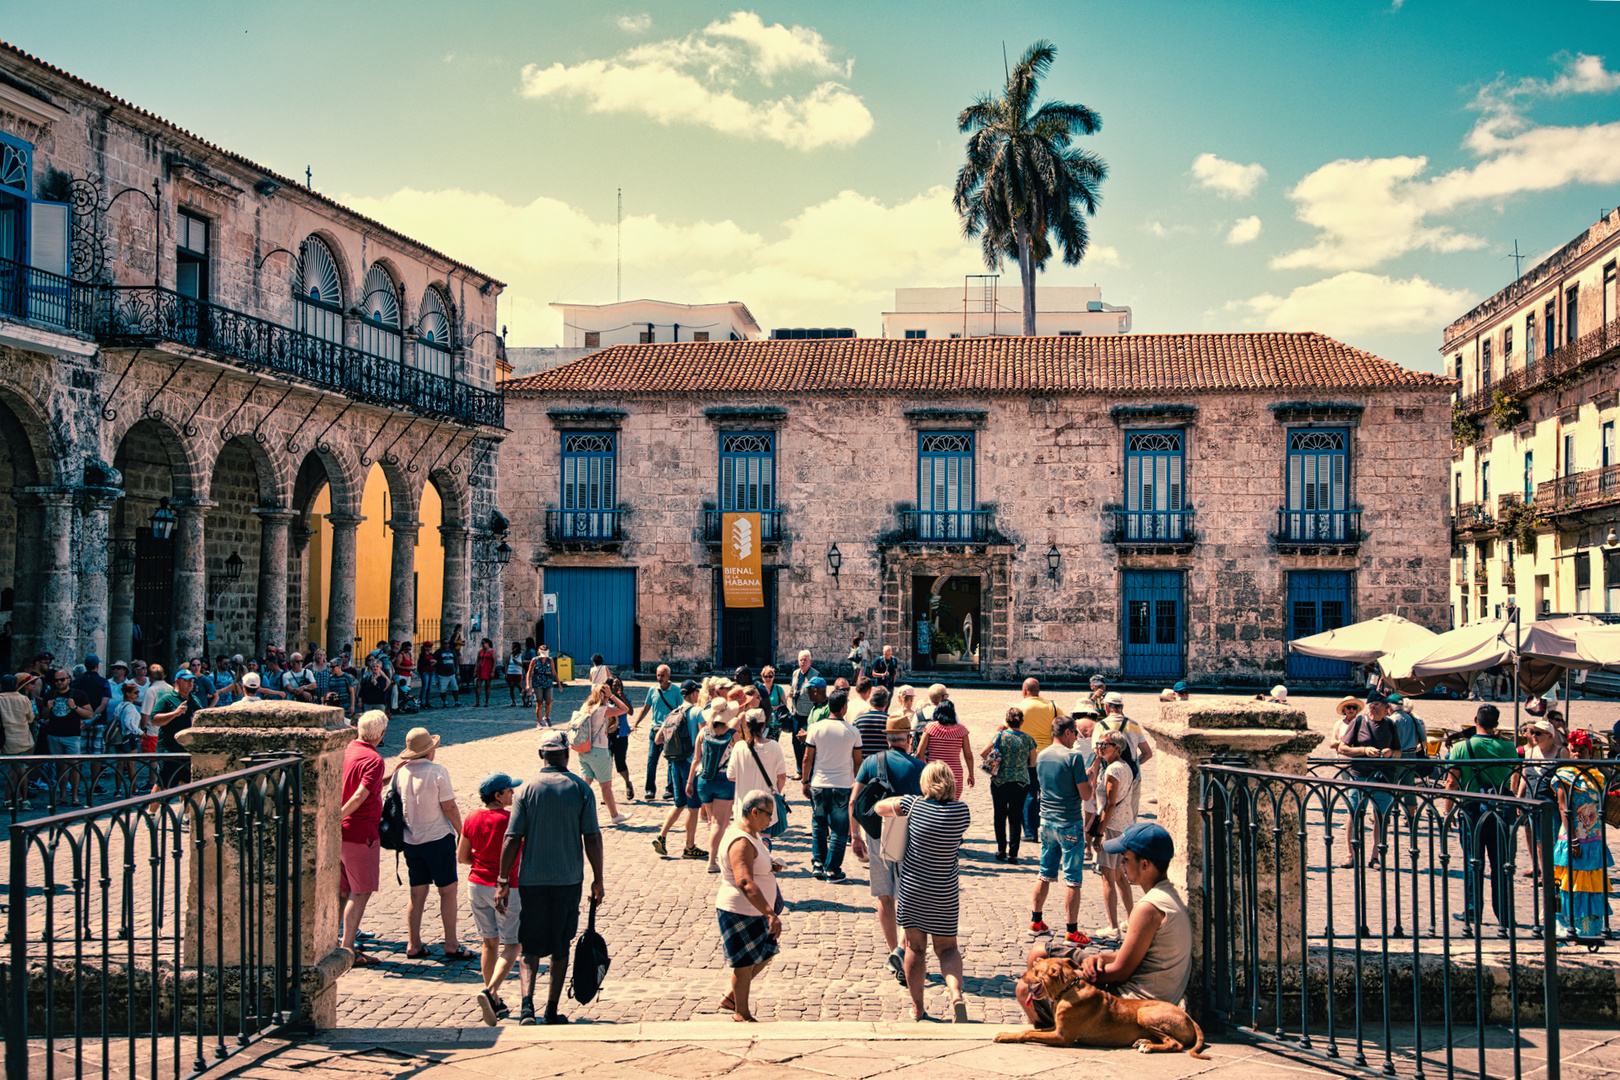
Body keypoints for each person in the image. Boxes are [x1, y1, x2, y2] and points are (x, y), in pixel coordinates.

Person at [1017, 823, 1193, 1028]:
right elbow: (1133, 954)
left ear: (1144, 865)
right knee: (1040, 952)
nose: (1121, 864)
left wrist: (1068, 976)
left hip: (1132, 1000)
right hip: (1137, 984)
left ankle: (1055, 1027)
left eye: (1125, 859)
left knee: (1023, 989)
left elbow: (1120, 972)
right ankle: (1048, 1019)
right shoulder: (1166, 895)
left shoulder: (1149, 908)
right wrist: (1098, 957)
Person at [495, 728, 605, 1025]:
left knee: (529, 946)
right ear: (567, 754)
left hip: (532, 880)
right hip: (568, 879)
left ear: (541, 755)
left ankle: (526, 1007)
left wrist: (503, 880)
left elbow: (512, 838)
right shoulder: (581, 789)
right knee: (561, 944)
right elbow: (592, 837)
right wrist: (598, 878)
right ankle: (551, 1010)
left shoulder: (527, 789)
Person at [874, 761, 972, 1022]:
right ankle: (956, 996)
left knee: (915, 949)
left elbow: (878, 808)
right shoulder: (962, 812)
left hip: (914, 888)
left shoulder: (913, 805)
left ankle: (918, 1008)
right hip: (945, 891)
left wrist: (903, 799)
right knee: (948, 949)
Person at [850, 712, 926, 986]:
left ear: (887, 738)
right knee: (908, 897)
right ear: (908, 738)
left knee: (884, 897)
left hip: (876, 834)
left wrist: (854, 836)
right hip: (908, 836)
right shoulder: (919, 766)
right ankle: (902, 952)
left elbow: (854, 800)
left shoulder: (871, 762)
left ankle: (893, 948)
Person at [394, 726, 470, 961]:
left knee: (416, 893)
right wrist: (462, 832)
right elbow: (449, 806)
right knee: (448, 891)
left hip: (411, 839)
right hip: (437, 838)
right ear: (429, 751)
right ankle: (451, 943)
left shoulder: (401, 773)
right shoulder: (437, 771)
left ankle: (413, 944)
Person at [1443, 704, 1517, 931]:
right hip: (1502, 810)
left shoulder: (1462, 748)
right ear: (1496, 723)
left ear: (1475, 719)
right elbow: (1514, 777)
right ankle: (1504, 914)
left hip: (1472, 809)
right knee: (1501, 864)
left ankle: (1473, 909)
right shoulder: (1508, 747)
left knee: (1473, 862)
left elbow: (1451, 782)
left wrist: (1448, 811)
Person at [714, 789, 782, 1022]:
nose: (771, 820)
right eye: (768, 815)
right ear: (754, 812)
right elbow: (743, 880)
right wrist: (770, 913)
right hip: (740, 910)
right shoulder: (740, 841)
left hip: (754, 909)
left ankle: (733, 998)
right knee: (744, 965)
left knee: (766, 952)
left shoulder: (751, 834)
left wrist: (770, 867)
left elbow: (755, 865)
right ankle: (741, 1013)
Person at [461, 771, 523, 1024]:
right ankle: (490, 991)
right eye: (509, 790)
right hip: (508, 887)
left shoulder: (472, 817)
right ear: (498, 795)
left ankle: (493, 1000)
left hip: (476, 884)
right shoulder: (511, 820)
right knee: (513, 945)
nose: (513, 793)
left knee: (489, 943)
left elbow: (462, 857)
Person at [1032, 715, 1095, 945]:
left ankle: (1036, 921)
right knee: (1073, 878)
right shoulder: (1074, 757)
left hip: (1046, 820)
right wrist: (1090, 779)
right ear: (1067, 733)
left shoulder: (1042, 755)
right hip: (1069, 821)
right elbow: (1085, 795)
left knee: (1044, 871)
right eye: (1075, 734)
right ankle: (1071, 930)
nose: (1077, 738)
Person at [1552, 730, 1613, 937]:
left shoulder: (1596, 775)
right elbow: (1563, 809)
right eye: (1573, 750)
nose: (1576, 754)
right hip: (1574, 837)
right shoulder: (1565, 776)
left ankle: (1589, 929)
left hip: (1593, 838)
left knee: (1592, 883)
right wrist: (1574, 840)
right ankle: (1567, 926)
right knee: (1570, 883)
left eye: (1581, 751)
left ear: (1590, 752)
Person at [339, 709, 388, 965]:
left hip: (340, 834)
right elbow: (359, 795)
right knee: (360, 892)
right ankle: (348, 949)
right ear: (380, 734)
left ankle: (331, 943)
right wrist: (340, 815)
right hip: (359, 832)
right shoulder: (373, 759)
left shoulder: (346, 750)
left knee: (341, 891)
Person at [803, 688, 862, 882]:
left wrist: (805, 781)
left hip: (819, 783)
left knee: (819, 825)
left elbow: (807, 758)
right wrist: (856, 784)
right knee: (838, 828)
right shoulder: (853, 732)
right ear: (844, 707)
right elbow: (858, 762)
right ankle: (833, 869)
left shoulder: (816, 728)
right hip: (842, 785)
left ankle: (818, 864)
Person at [1338, 690, 1398, 869]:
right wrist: (1364, 751)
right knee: (1354, 814)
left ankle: (1375, 855)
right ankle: (1350, 854)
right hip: (1360, 775)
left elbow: (1399, 751)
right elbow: (1343, 748)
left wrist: (1391, 753)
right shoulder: (1359, 722)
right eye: (1385, 706)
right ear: (1374, 706)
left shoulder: (1390, 724)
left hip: (1383, 777)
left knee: (1380, 816)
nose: (1389, 709)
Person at [1090, 731, 1139, 939]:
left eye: (1104, 745)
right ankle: (1130, 919)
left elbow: (1110, 804)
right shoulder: (1124, 767)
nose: (1100, 748)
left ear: (1117, 748)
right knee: (1120, 875)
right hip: (1124, 824)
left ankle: (1113, 927)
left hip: (1111, 827)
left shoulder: (1113, 770)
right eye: (1098, 744)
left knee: (1108, 876)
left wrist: (1100, 833)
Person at [653, 680, 707, 860]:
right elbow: (703, 737)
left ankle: (662, 836)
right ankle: (689, 847)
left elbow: (658, 739)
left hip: (674, 763)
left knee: (678, 803)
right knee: (693, 807)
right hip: (691, 764)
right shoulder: (698, 712)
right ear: (693, 694)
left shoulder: (673, 712)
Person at [691, 694, 741, 872]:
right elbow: (743, 756)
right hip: (723, 782)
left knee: (714, 822)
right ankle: (712, 862)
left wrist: (690, 782)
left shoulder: (703, 732)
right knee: (720, 823)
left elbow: (696, 759)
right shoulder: (733, 735)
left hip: (703, 781)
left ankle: (720, 854)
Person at [984, 707, 1039, 863]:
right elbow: (1033, 763)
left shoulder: (999, 736)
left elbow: (983, 752)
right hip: (1020, 782)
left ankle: (1001, 849)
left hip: (1000, 781)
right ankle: (1013, 853)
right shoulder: (1028, 739)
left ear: (1006, 721)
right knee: (1015, 816)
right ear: (1022, 722)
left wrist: (995, 759)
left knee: (999, 815)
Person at [728, 707, 788, 832]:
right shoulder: (774, 746)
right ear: (764, 724)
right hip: (766, 803)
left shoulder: (739, 747)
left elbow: (731, 776)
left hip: (744, 804)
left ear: (746, 725)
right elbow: (782, 776)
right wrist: (776, 790)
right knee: (764, 839)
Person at [1518, 719, 1563, 878]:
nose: (1534, 736)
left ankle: (1556, 876)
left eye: (1538, 733)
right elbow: (1524, 776)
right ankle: (1545, 875)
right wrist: (1519, 798)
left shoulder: (1560, 752)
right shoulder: (1529, 752)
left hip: (1553, 804)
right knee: (1538, 841)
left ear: (1550, 736)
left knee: (1554, 841)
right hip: (1532, 802)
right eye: (1532, 732)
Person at [39, 669, 91, 804]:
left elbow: (89, 714)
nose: (59, 682)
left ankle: (74, 796)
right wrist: (48, 708)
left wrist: (75, 708)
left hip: (72, 735)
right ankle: (62, 796)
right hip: (54, 735)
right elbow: (44, 716)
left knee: (74, 766)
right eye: (56, 680)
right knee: (60, 767)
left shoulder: (79, 694)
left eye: (62, 679)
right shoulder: (50, 694)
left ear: (69, 679)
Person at [1016, 678, 1059, 842]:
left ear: (1025, 690)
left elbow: (1005, 728)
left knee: (1030, 793)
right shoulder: (1053, 706)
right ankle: (1049, 827)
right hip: (1049, 756)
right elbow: (1063, 726)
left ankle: (1030, 831)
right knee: (1048, 793)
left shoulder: (1019, 708)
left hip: (1026, 758)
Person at [635, 665, 682, 800]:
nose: (659, 678)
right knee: (652, 760)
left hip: (671, 731)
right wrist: (636, 723)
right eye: (658, 675)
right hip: (655, 730)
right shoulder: (652, 690)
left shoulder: (676, 691)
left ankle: (670, 789)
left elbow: (681, 709)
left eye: (662, 675)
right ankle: (650, 789)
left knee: (671, 761)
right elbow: (646, 707)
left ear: (668, 676)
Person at [917, 699, 975, 795]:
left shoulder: (930, 728)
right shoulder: (962, 730)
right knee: (953, 802)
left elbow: (919, 753)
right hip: (954, 772)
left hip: (934, 770)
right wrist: (971, 774)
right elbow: (968, 755)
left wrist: (924, 770)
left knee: (933, 801)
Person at [1097, 692, 1154, 766]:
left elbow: (1097, 752)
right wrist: (1134, 765)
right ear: (1122, 707)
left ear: (1106, 707)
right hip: (1131, 772)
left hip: (1109, 770)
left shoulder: (1101, 725)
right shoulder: (1134, 725)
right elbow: (1147, 753)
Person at [786, 651, 819, 778]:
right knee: (795, 742)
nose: (803, 662)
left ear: (810, 661)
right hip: (796, 714)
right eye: (801, 660)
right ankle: (800, 771)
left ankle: (809, 771)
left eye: (805, 660)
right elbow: (792, 687)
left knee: (806, 743)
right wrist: (790, 693)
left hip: (808, 715)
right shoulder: (795, 673)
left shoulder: (815, 675)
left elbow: (819, 694)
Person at [606, 675, 637, 802]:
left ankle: (627, 784)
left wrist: (622, 697)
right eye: (615, 685)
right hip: (607, 736)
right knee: (606, 765)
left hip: (621, 735)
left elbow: (630, 712)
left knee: (620, 763)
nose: (618, 687)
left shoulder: (624, 699)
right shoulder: (605, 700)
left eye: (619, 685)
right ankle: (607, 792)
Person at [854, 686, 893, 759]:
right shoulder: (890, 721)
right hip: (884, 764)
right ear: (886, 703)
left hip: (863, 764)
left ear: (870, 702)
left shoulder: (858, 721)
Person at [528, 645, 557, 727]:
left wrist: (558, 683)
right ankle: (539, 722)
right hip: (537, 683)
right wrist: (527, 684)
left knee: (549, 701)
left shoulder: (550, 660)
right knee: (539, 703)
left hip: (548, 683)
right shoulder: (535, 660)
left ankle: (547, 717)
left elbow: (554, 672)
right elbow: (529, 673)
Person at [471, 639, 496, 707]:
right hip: (481, 669)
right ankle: (477, 701)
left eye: (484, 643)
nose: (482, 644)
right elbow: (477, 661)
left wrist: (493, 671)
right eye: (482, 643)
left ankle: (486, 701)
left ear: (487, 643)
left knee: (487, 686)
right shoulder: (480, 651)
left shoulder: (492, 651)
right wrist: (475, 670)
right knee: (478, 685)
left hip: (488, 669)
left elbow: (494, 662)